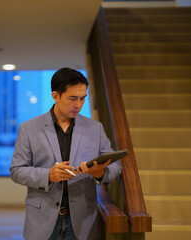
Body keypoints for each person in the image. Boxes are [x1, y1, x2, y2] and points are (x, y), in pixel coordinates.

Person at [10, 68, 122, 240]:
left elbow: (116, 165)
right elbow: (17, 170)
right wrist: (48, 175)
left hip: (83, 221)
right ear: (55, 96)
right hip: (42, 220)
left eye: (82, 98)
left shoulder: (95, 128)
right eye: (72, 98)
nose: (78, 104)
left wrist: (99, 173)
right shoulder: (29, 128)